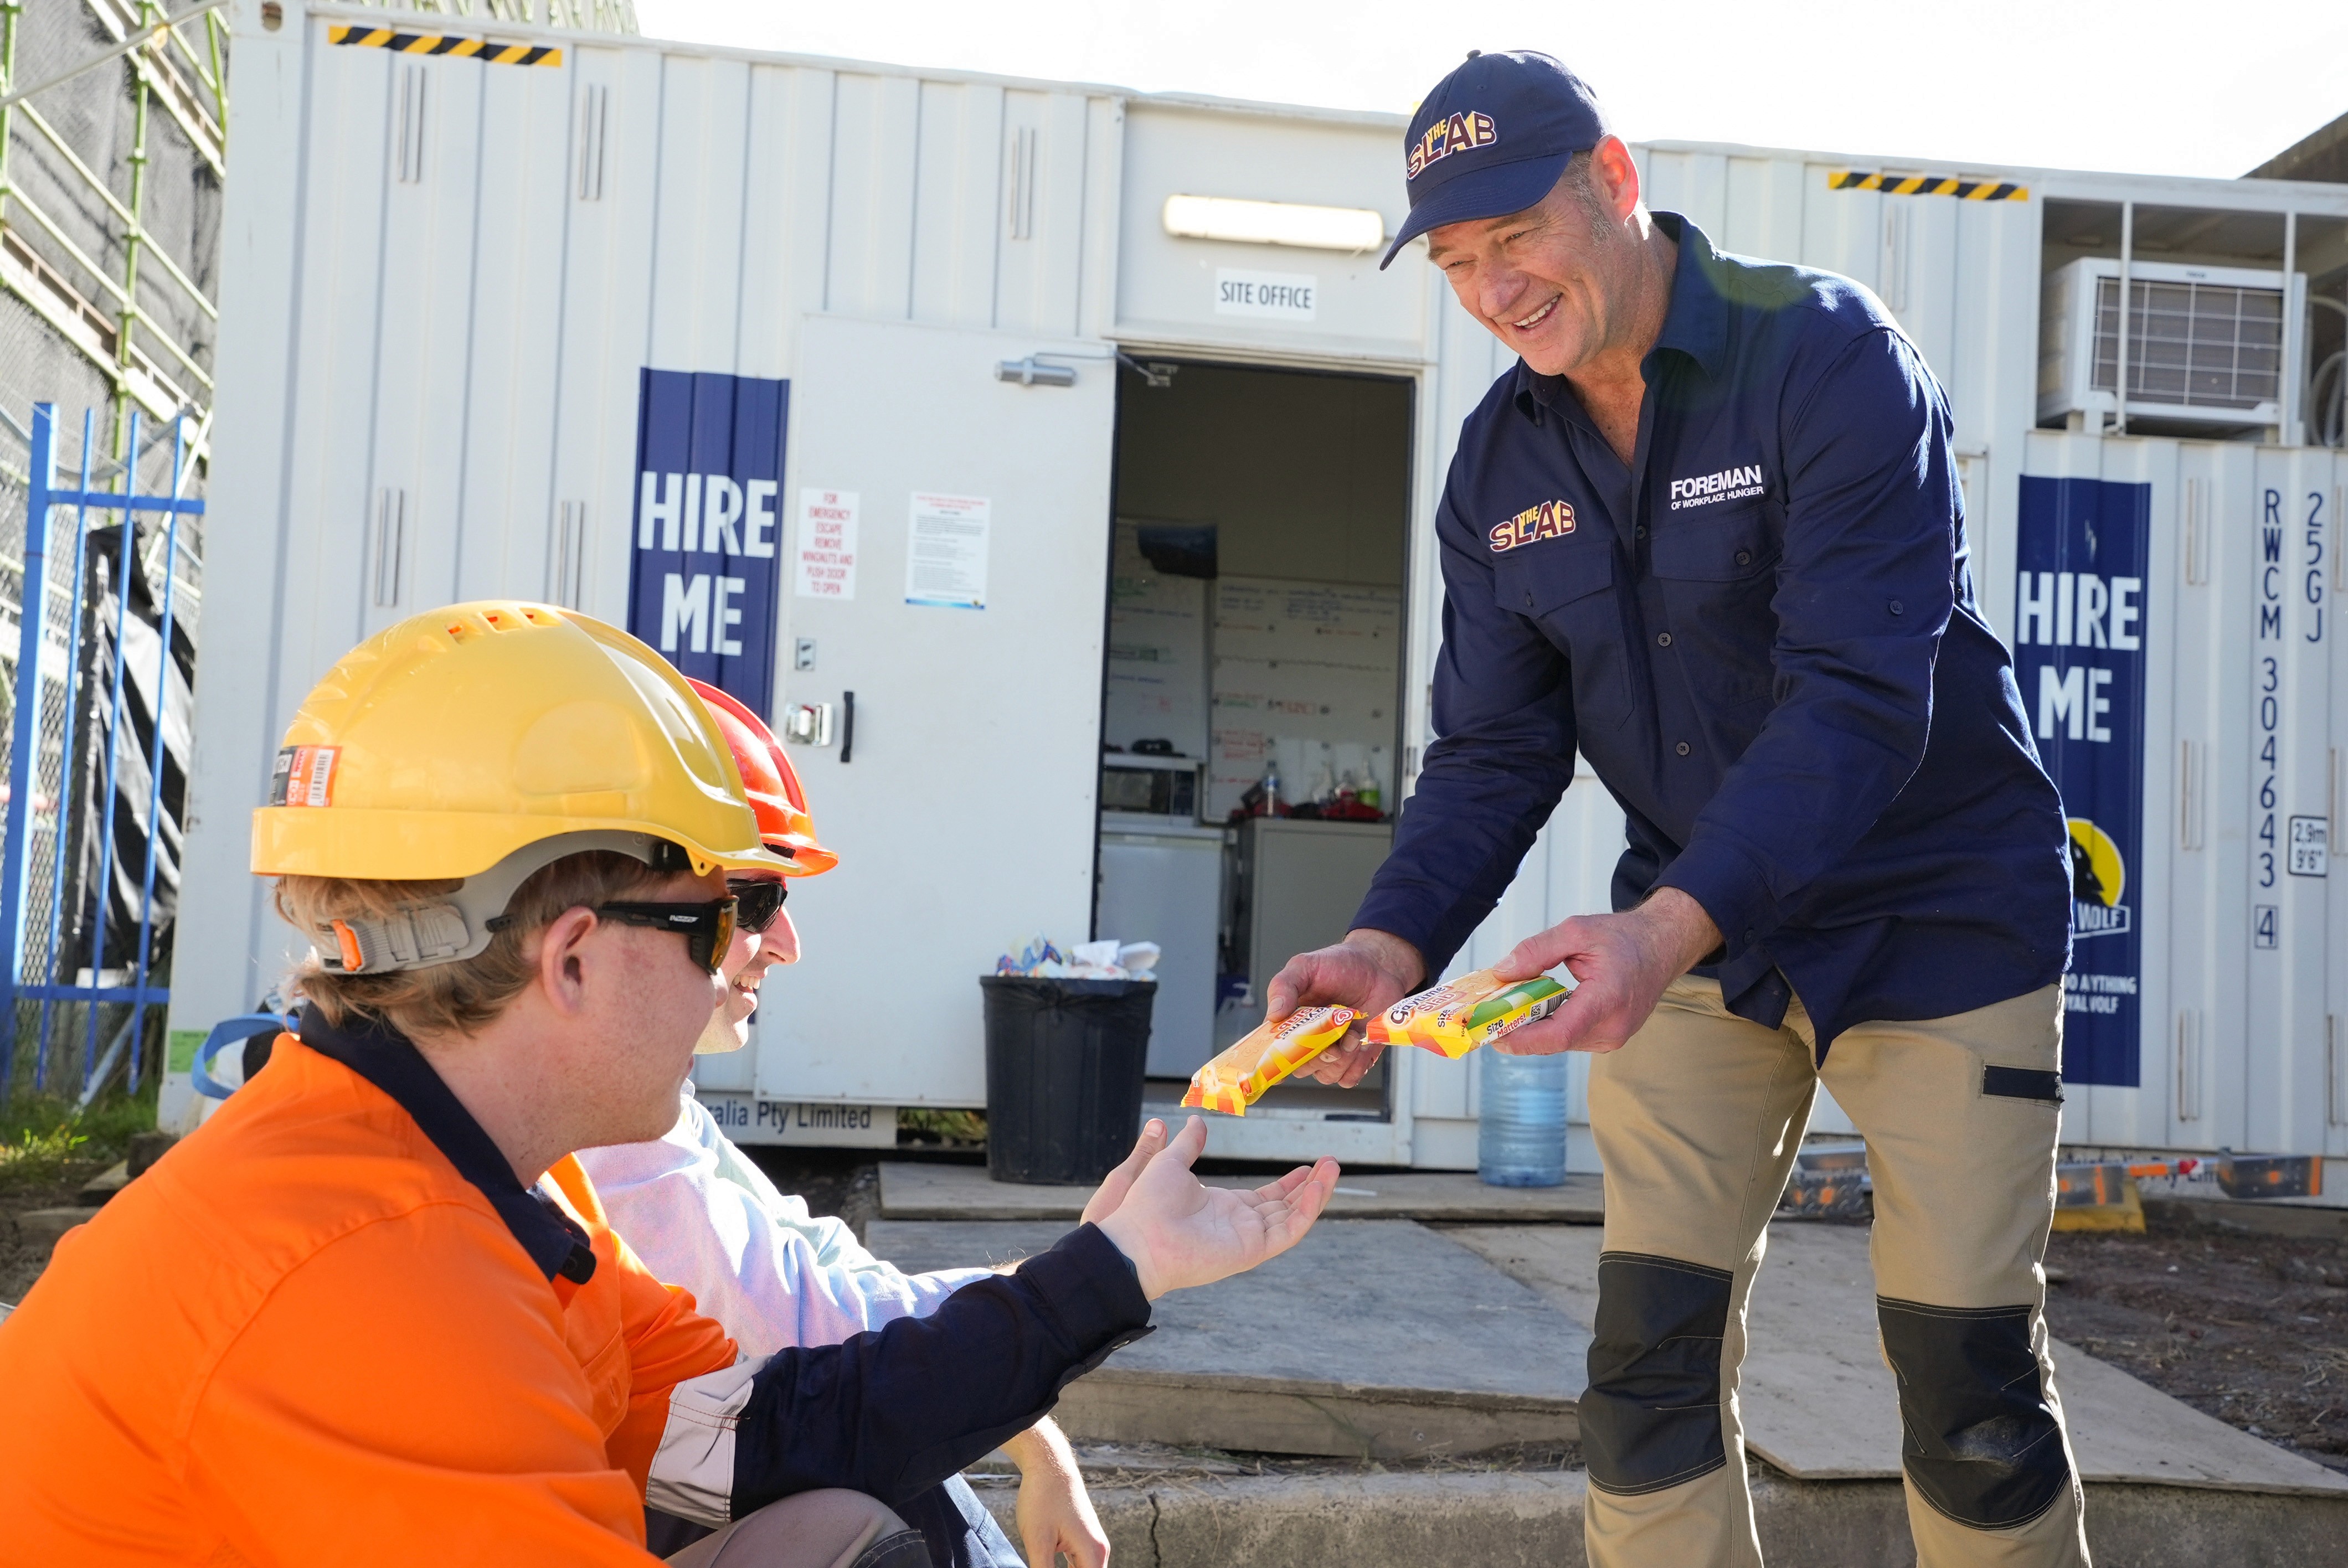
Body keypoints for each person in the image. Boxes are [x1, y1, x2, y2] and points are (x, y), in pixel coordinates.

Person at [0, 602, 1338, 1567]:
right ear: (574, 958)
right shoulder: (378, 1280)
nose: (761, 954)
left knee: (861, 1517)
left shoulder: (482, 1178)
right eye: (723, 916)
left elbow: (770, 1430)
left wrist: (1115, 1269)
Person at [1269, 52, 2084, 1568]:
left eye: (1517, 235)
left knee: (1967, 1394)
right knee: (1642, 1378)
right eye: (1454, 263)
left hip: (1937, 920)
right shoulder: (1498, 465)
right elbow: (1493, 751)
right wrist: (1388, 944)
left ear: (1614, 180)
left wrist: (1655, 935)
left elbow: (1856, 700)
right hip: (1698, 942)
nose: (1494, 290)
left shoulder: (1826, 357)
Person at [579, 679, 1110, 1568]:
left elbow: (810, 1259)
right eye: (754, 903)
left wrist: (1036, 1434)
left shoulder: (628, 1102)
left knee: (885, 1447)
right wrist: (1100, 1273)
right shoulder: (598, 1128)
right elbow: (814, 1321)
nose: (788, 944)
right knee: (865, 1467)